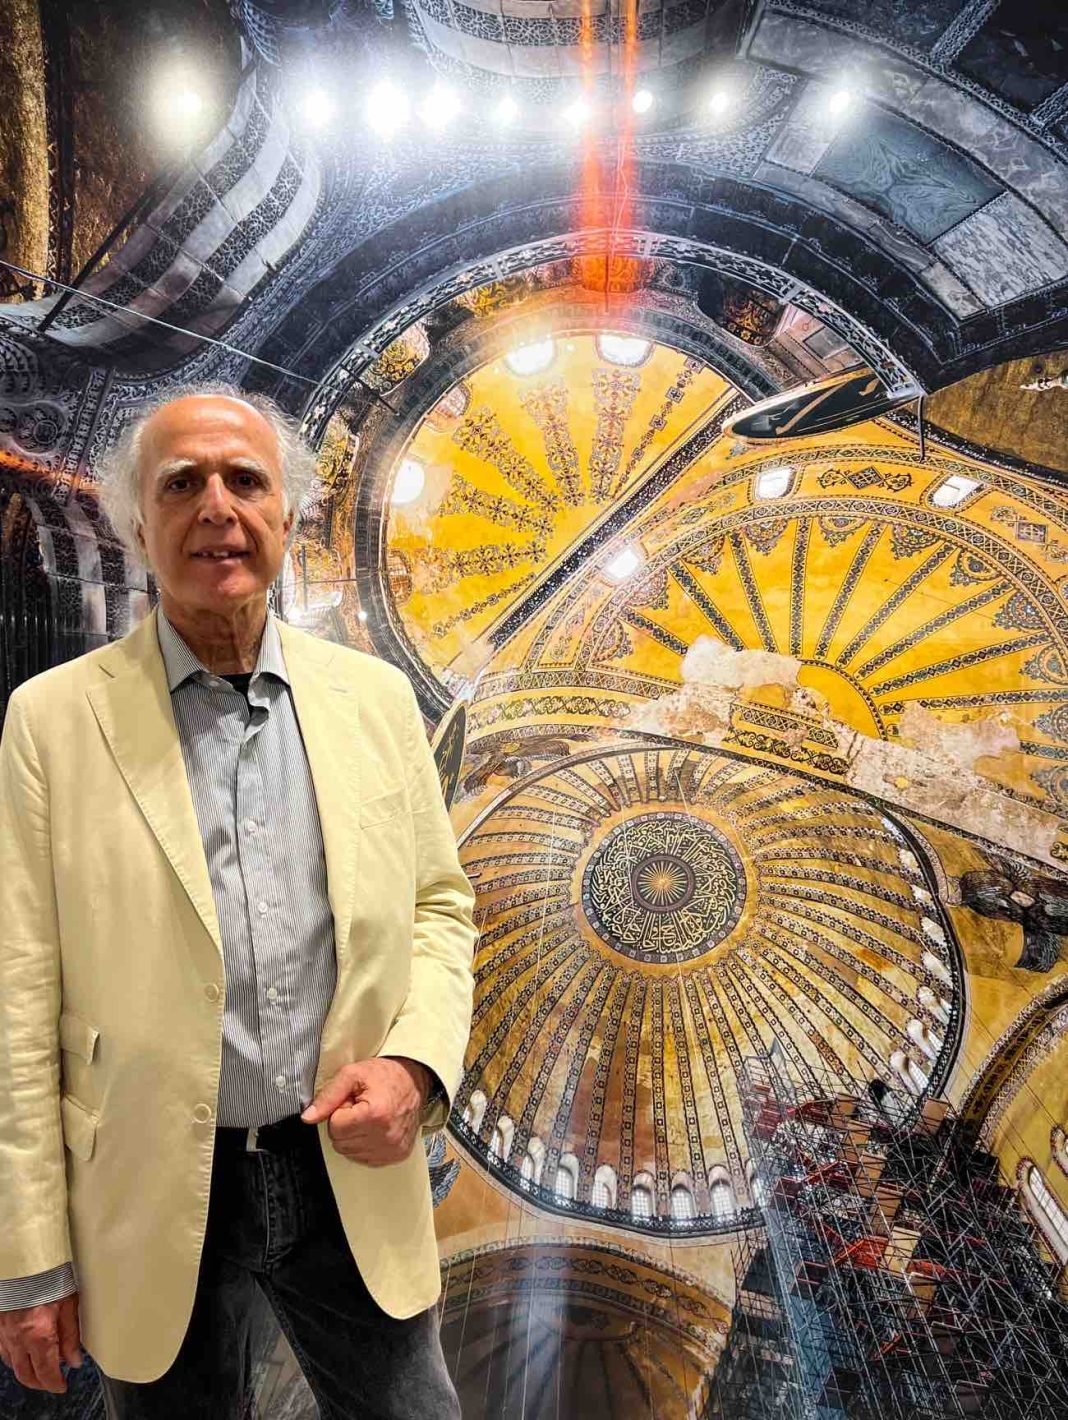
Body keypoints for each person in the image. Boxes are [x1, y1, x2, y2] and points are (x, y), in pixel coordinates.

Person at [0, 386, 477, 1418]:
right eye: (182, 484)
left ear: (288, 515)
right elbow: (19, 997)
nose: (217, 506)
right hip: (150, 1188)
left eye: (245, 480)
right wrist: (30, 1261)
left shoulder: (375, 700)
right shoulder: (51, 722)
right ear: (138, 525)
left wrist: (416, 1065)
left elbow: (440, 906)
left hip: (345, 1171)